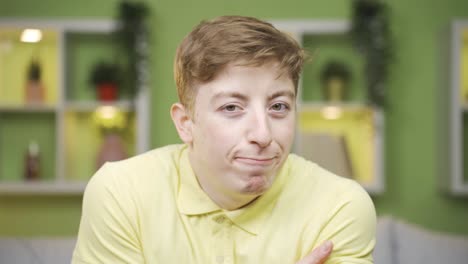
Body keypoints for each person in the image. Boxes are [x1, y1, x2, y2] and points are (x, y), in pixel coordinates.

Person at [72, 15, 376, 264]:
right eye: (232, 107)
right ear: (185, 123)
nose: (263, 134)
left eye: (279, 107)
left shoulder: (340, 207)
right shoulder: (121, 194)